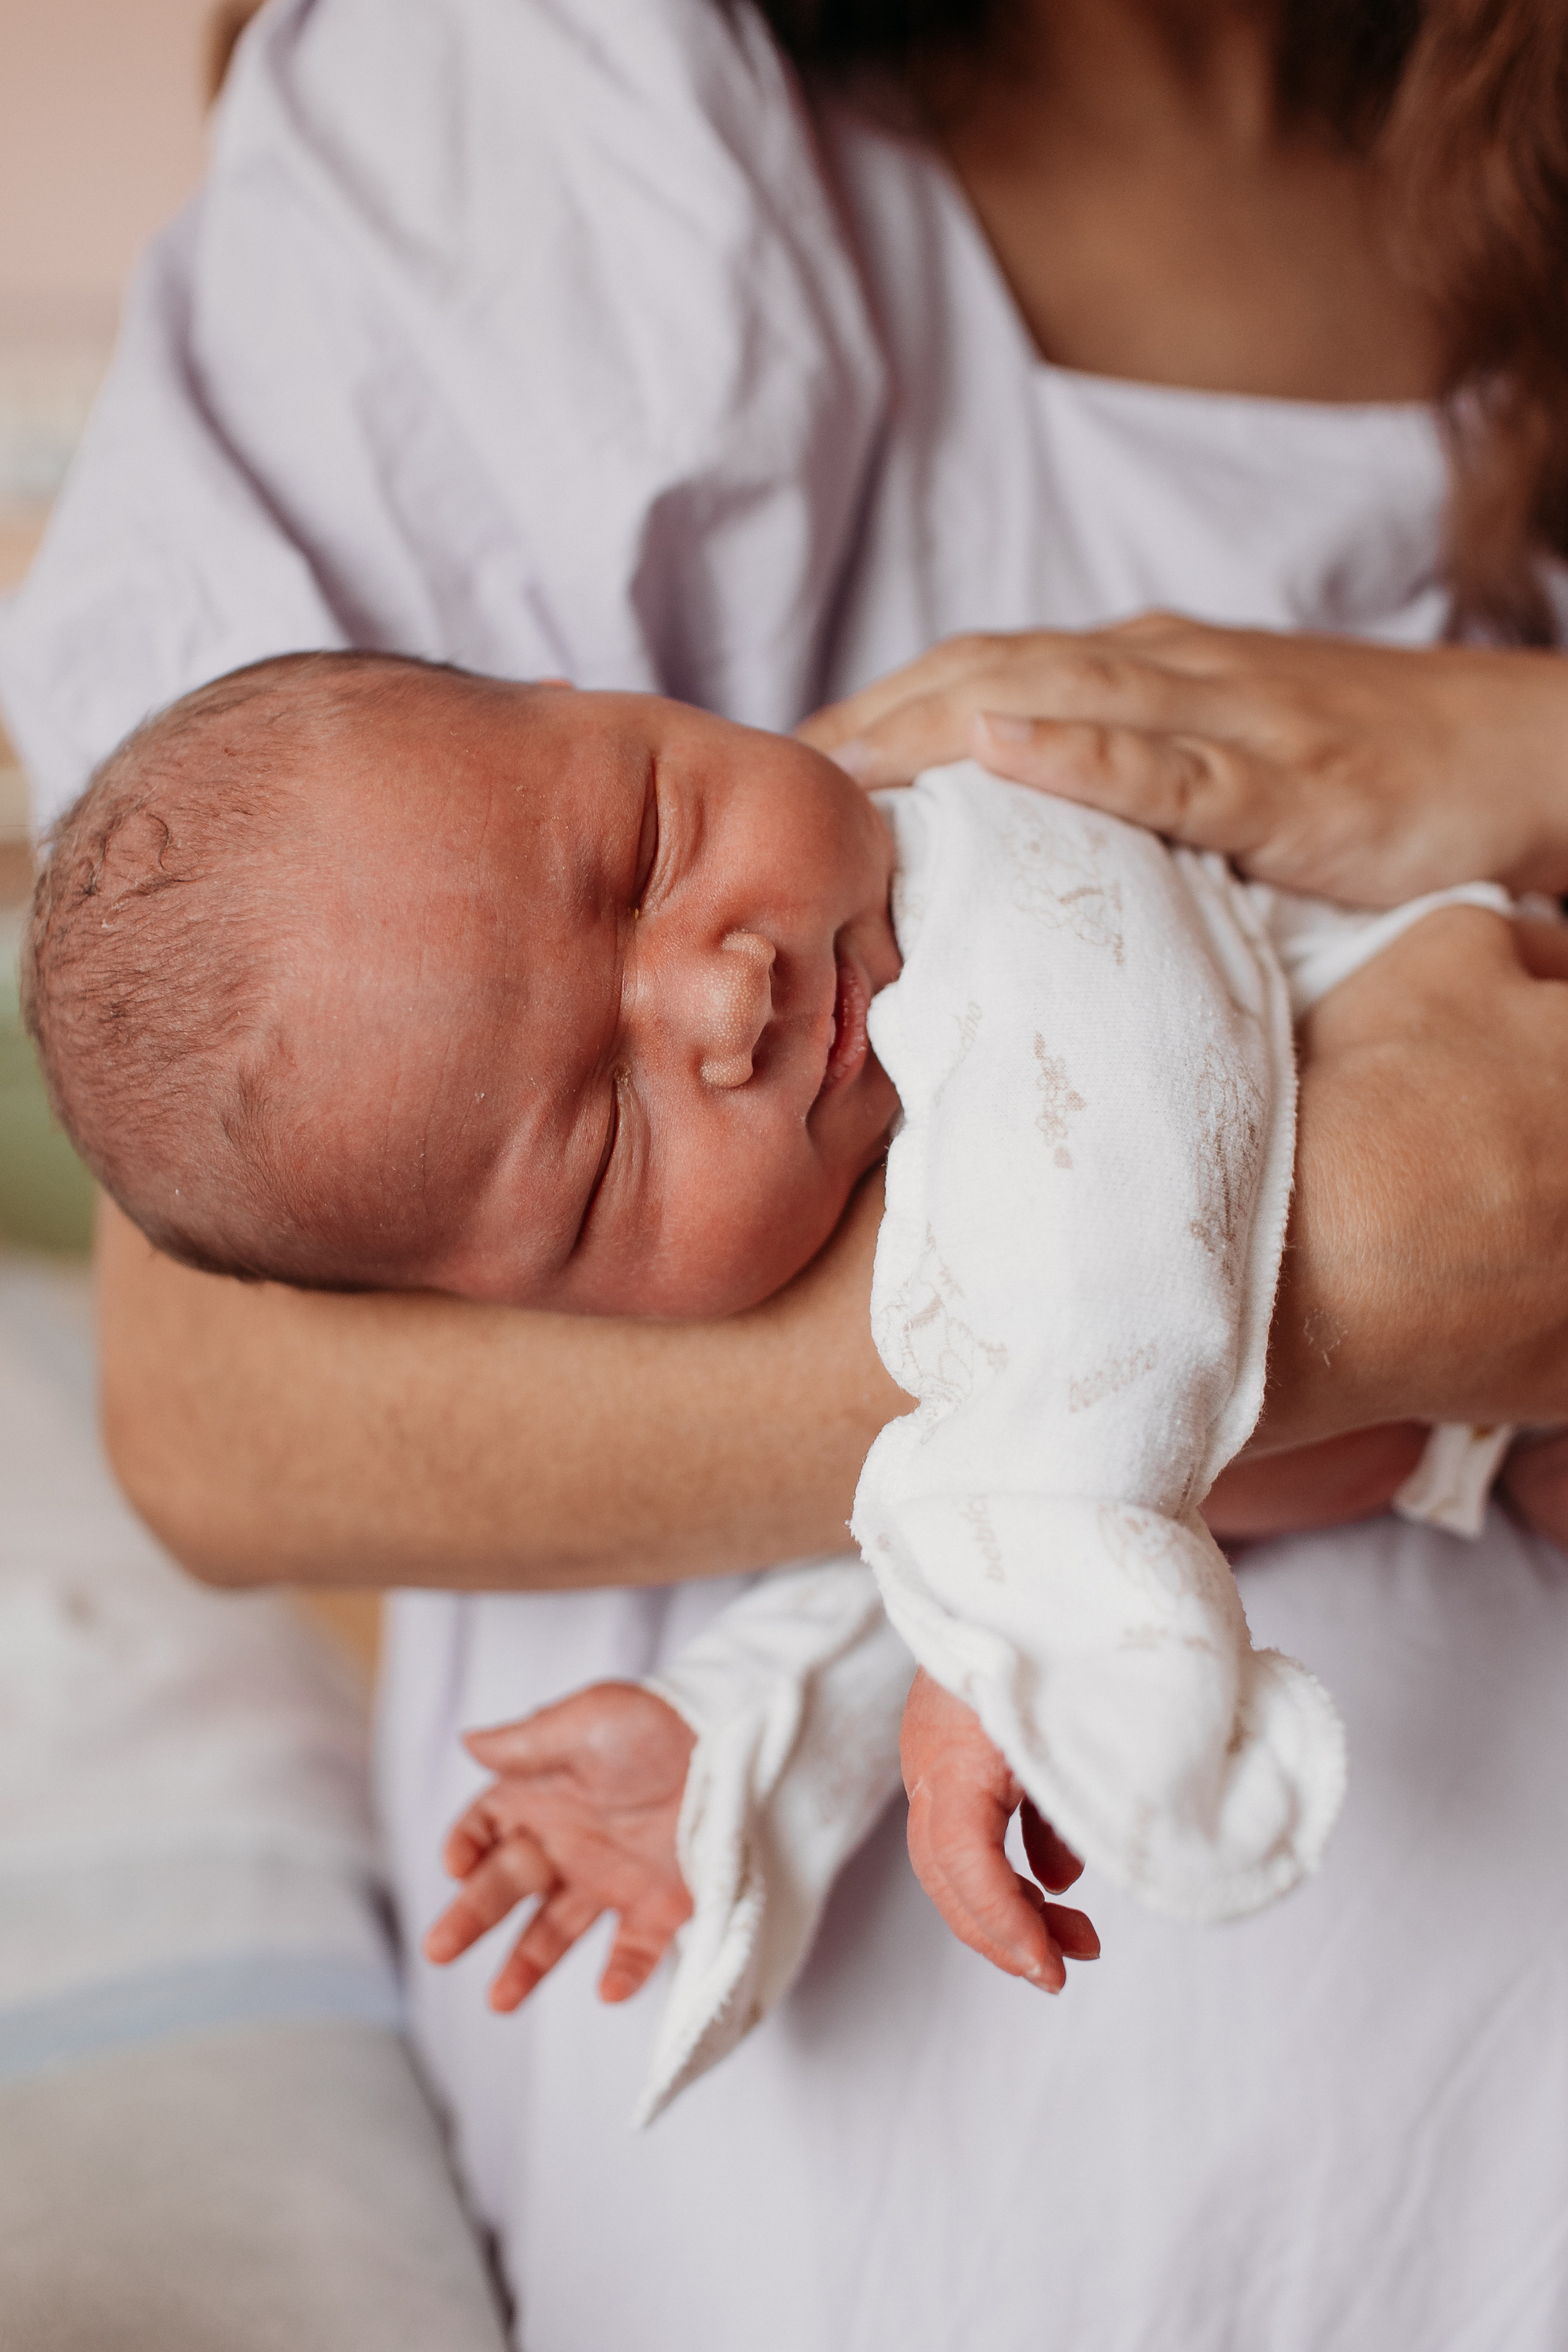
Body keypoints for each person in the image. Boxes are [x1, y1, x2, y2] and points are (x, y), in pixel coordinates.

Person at [5, 0, 1568, 2342]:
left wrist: (1517, 745)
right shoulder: (549, 87)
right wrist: (738, 1751)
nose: (719, 1000)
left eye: (652, 831)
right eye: (603, 1142)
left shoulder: (994, 866)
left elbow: (1099, 1242)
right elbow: (221, 1400)